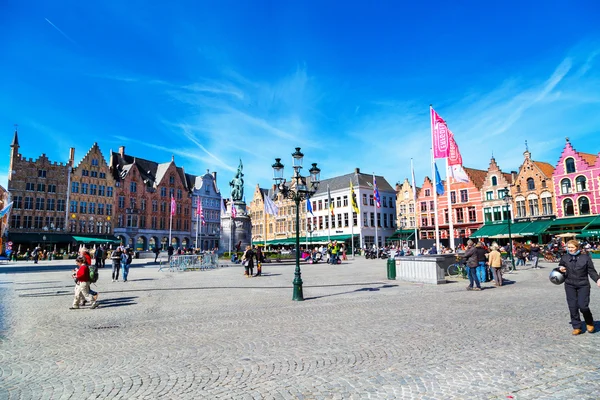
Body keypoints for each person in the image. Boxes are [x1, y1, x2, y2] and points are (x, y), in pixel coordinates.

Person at [558, 240, 600, 335]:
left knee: (583, 306)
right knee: (572, 306)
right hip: (569, 284)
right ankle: (576, 326)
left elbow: (591, 271)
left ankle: (589, 322)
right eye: (569, 247)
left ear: (577, 247)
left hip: (583, 284)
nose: (570, 249)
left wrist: (597, 279)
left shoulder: (585, 258)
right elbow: (560, 266)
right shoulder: (565, 257)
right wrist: (560, 268)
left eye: (572, 247)